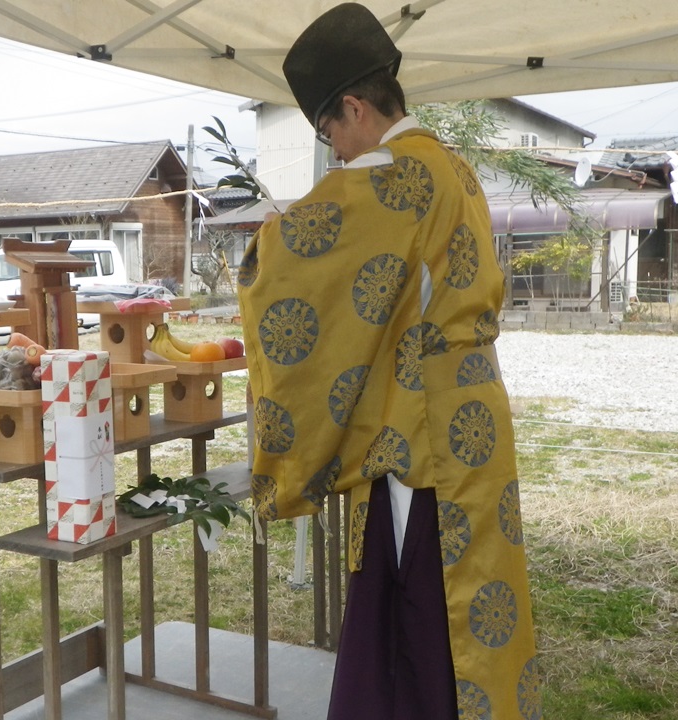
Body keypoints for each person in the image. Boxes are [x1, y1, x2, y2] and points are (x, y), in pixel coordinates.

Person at [236, 4, 539, 719]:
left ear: (353, 106)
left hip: (423, 428)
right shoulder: (454, 166)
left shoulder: (391, 176)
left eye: (328, 131)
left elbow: (280, 271)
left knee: (424, 615)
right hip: (475, 418)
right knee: (470, 603)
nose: (334, 151)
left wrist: (251, 259)